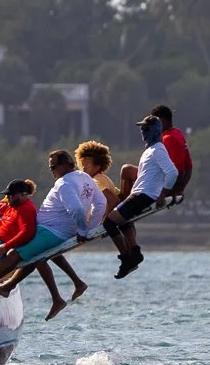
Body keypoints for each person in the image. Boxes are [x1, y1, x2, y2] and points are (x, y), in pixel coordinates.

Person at [0, 151, 91, 300]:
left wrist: (84, 229)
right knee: (41, 256)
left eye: (11, 195)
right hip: (46, 232)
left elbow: (27, 231)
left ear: (23, 195)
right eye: (7, 195)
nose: (8, 198)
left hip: (40, 235)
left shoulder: (28, 207)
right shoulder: (15, 206)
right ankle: (65, 292)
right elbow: (3, 223)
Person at [104, 115, 178, 279]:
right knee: (122, 221)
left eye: (146, 129)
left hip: (144, 195)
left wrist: (163, 194)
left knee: (109, 222)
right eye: (142, 129)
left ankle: (126, 258)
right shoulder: (149, 150)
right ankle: (135, 252)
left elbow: (172, 172)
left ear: (155, 131)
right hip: (139, 193)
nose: (143, 132)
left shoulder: (158, 149)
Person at [75, 140, 121, 238]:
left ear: (98, 165)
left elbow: (113, 202)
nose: (83, 168)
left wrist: (105, 225)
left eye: (87, 165)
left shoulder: (97, 180)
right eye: (82, 164)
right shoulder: (101, 178)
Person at [151, 104, 193, 200]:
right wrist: (181, 189)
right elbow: (189, 167)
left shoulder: (168, 139)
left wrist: (168, 192)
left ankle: (122, 207)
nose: (152, 126)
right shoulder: (178, 133)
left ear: (161, 121)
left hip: (162, 187)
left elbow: (178, 171)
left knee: (126, 169)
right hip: (167, 185)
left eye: (154, 123)